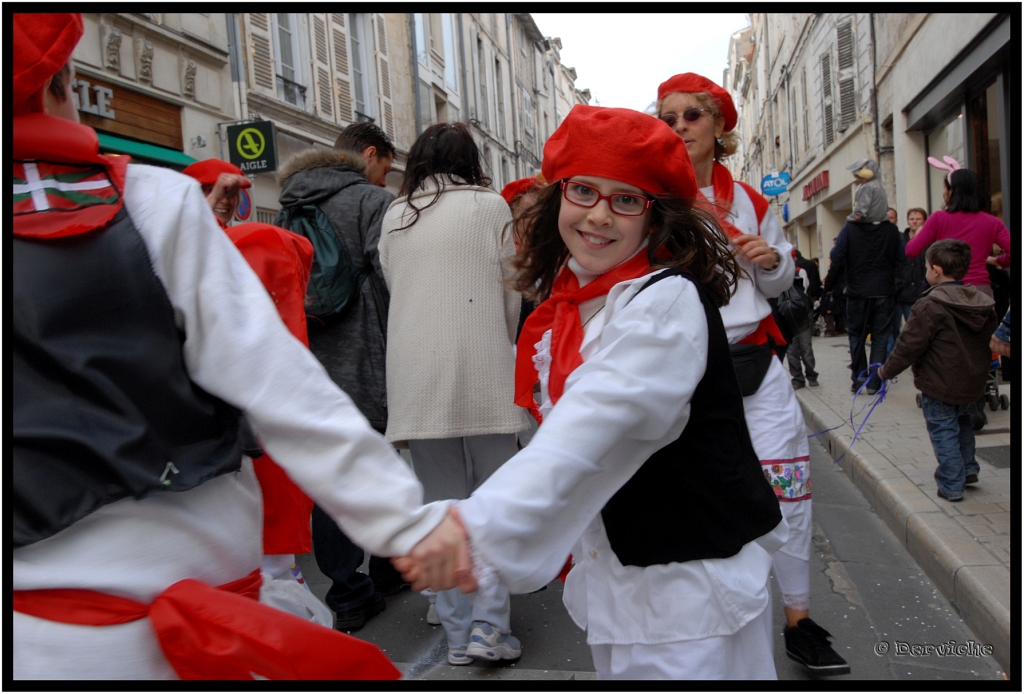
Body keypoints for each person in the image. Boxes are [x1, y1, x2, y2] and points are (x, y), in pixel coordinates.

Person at [13, 14, 468, 679]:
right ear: (65, 82)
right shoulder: (151, 204)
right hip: (170, 640)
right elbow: (277, 380)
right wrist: (403, 520)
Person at [396, 105, 789, 680]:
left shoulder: (663, 301)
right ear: (560, 196)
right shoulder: (573, 307)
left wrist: (477, 525)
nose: (599, 215)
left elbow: (597, 418)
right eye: (584, 190)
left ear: (655, 219)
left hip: (686, 597)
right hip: (624, 588)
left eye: (626, 199)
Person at [654, 74, 848, 676]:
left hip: (754, 365)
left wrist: (773, 261)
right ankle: (707, 629)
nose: (679, 126)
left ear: (718, 127)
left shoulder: (751, 201)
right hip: (680, 371)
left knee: (787, 493)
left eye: (691, 116)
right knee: (695, 502)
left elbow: (779, 283)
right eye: (668, 118)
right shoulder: (648, 197)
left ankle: (798, 620)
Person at [379, 122, 529, 666]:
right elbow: (513, 290)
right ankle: (492, 625)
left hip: (417, 374)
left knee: (439, 507)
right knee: (491, 501)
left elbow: (395, 283)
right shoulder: (490, 207)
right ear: (471, 159)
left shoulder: (396, 214)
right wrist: (497, 336)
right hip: (484, 365)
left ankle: (458, 635)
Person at [276, 122, 407, 631]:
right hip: (368, 353)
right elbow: (392, 277)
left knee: (332, 476)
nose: (385, 177)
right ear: (371, 156)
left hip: (311, 354)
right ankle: (384, 568)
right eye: (386, 167)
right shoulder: (370, 203)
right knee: (378, 465)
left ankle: (347, 589)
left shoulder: (291, 203)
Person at [878, 240, 998, 501]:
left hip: (939, 382)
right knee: (963, 423)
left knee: (943, 428)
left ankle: (951, 483)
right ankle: (968, 469)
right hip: (972, 381)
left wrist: (886, 372)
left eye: (925, 266)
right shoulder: (982, 302)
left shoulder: (929, 306)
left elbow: (908, 346)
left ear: (936, 270)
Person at [825, 181, 905, 394]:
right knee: (880, 336)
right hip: (884, 291)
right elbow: (902, 257)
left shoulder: (850, 229)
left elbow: (837, 256)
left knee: (856, 335)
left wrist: (830, 285)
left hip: (857, 290)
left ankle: (858, 378)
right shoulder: (891, 230)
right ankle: (874, 381)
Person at [906, 165, 1011, 298]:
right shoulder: (992, 222)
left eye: (945, 188)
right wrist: (998, 261)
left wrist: (919, 231)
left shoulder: (938, 218)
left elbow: (911, 251)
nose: (943, 192)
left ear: (951, 191)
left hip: (947, 290)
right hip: (980, 290)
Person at [889, 207, 930, 353]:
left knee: (919, 331)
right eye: (912, 219)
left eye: (918, 219)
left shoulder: (929, 240)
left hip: (923, 290)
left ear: (924, 221)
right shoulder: (900, 239)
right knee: (902, 330)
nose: (915, 222)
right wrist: (898, 283)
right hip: (903, 291)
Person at [181, 158, 251, 228]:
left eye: (231, 193)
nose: (225, 201)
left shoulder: (233, 236)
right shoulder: (180, 232)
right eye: (212, 190)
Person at [786, 255, 819, 389]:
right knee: (792, 350)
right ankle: (798, 378)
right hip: (786, 316)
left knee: (805, 347)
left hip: (802, 314)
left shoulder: (800, 271)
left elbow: (804, 286)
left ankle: (811, 375)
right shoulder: (772, 275)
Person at [846, 159, 888, 224]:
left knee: (846, 229)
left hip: (867, 223)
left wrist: (849, 218)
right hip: (882, 223)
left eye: (860, 177)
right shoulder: (881, 186)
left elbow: (859, 214)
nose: (859, 179)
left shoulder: (867, 187)